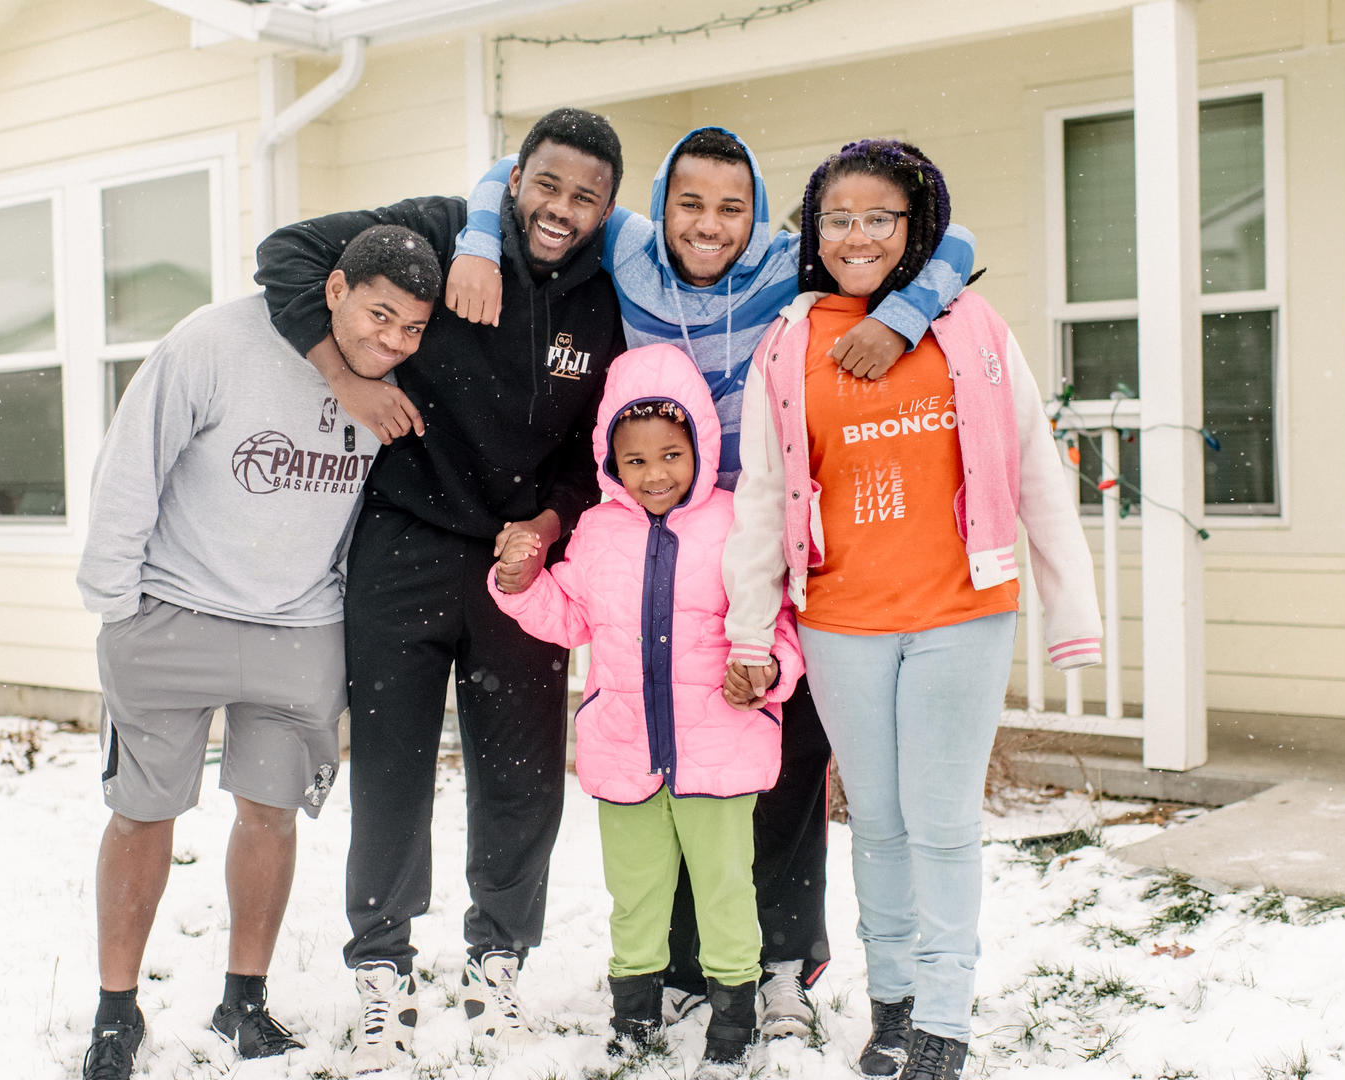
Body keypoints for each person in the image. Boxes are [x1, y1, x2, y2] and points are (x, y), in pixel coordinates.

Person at [446, 125, 978, 1041]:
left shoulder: (789, 258)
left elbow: (951, 241)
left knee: (780, 763)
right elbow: (508, 172)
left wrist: (901, 315)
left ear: (759, 217)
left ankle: (781, 966)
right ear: (657, 210)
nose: (709, 224)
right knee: (678, 763)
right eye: (689, 203)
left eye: (732, 207)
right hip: (659, 527)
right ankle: (691, 967)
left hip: (769, 534)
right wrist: (476, 241)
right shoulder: (627, 245)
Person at [253, 107, 626, 1073]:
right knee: (390, 766)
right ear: (512, 179)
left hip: (520, 564)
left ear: (609, 209)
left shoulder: (610, 297)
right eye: (546, 184)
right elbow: (287, 255)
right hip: (405, 543)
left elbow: (596, 458)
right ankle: (382, 972)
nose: (561, 209)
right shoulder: (435, 229)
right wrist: (345, 379)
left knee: (523, 774)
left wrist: (546, 530)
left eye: (586, 195)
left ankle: (498, 963)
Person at [722, 140, 1102, 1080]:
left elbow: (1036, 474)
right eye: (838, 217)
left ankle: (943, 1014)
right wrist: (747, 626)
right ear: (815, 230)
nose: (857, 235)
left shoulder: (972, 329)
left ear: (914, 225)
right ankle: (890, 997)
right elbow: (765, 497)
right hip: (840, 617)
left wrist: (1071, 606)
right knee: (879, 819)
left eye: (879, 217)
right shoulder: (789, 341)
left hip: (962, 609)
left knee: (940, 819)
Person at [71, 225, 441, 1080]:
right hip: (173, 613)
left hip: (298, 628)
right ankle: (115, 1010)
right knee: (143, 812)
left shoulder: (396, 381)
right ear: (336, 289)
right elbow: (130, 467)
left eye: (411, 330)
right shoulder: (213, 342)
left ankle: (244, 999)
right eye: (379, 316)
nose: (391, 342)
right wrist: (117, 607)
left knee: (270, 813)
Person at [488, 342, 804, 1080]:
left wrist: (764, 671)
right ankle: (633, 1011)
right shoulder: (598, 532)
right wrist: (518, 582)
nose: (655, 474)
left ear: (701, 444)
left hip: (719, 748)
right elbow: (568, 618)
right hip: (624, 747)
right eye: (635, 461)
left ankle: (733, 1017)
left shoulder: (734, 526)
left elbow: (780, 625)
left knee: (726, 888)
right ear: (609, 460)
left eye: (671, 454)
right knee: (634, 893)